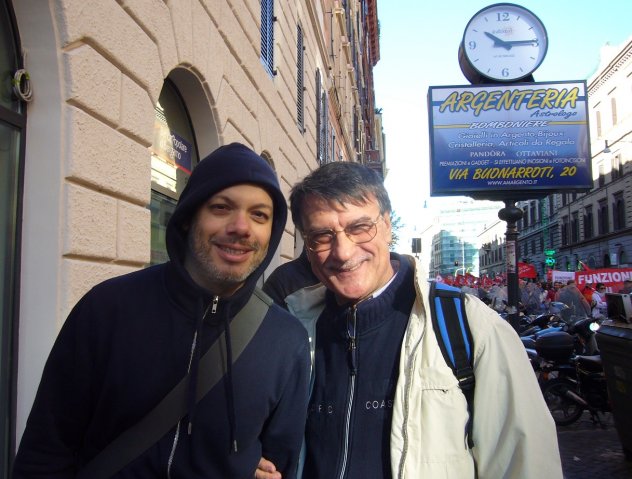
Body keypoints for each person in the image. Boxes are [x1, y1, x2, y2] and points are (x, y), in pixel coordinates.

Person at [13, 143, 310, 479]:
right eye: (221, 207)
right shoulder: (107, 310)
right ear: (188, 219)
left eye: (259, 215)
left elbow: (279, 463)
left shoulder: (287, 341)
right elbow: (46, 451)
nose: (241, 227)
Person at [257, 162, 562, 478]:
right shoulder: (291, 328)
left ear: (388, 226)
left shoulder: (471, 326)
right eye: (322, 235)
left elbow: (525, 464)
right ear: (306, 245)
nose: (343, 252)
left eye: (360, 227)